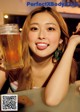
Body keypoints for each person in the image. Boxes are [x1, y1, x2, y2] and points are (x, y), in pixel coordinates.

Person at [0, 7, 80, 106]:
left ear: (61, 39)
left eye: (50, 28)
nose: (41, 36)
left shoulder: (71, 68)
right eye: (34, 28)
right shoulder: (12, 64)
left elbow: (52, 101)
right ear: (26, 35)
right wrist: (15, 102)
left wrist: (72, 43)